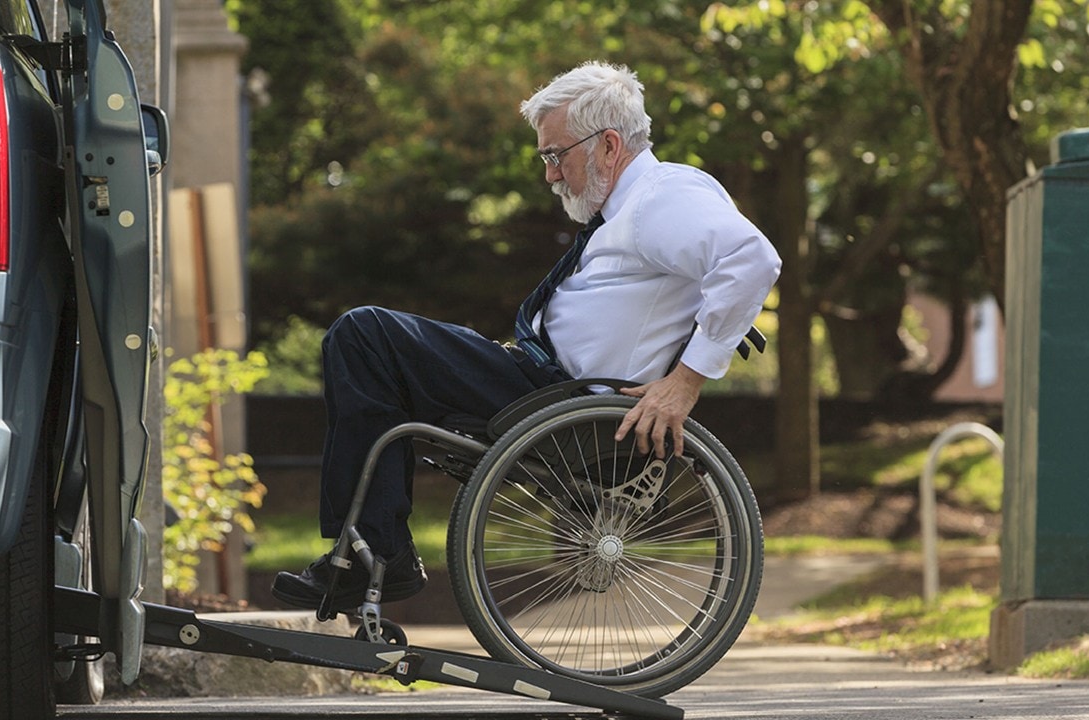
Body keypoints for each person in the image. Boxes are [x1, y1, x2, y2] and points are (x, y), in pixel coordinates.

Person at [271, 60, 782, 612]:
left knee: (364, 334)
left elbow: (751, 258)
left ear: (608, 145)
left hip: (561, 402)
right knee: (371, 356)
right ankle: (372, 550)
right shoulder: (634, 206)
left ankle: (375, 554)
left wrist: (684, 384)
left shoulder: (662, 196)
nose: (551, 175)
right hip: (541, 387)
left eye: (556, 155)